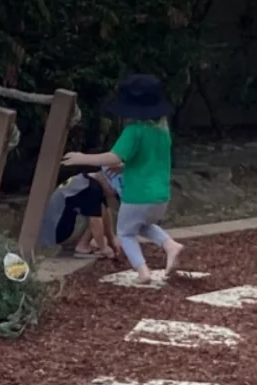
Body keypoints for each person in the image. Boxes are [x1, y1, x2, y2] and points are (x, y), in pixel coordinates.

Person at [62, 74, 184, 279]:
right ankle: (170, 245)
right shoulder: (163, 132)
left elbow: (113, 157)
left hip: (138, 194)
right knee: (143, 225)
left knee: (126, 233)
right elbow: (148, 161)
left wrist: (81, 157)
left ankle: (142, 271)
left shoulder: (134, 131)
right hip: (161, 195)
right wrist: (125, 168)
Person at [37, 166, 119, 259]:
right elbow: (95, 222)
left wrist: (111, 239)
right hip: (57, 234)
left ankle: (82, 244)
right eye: (114, 190)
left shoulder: (85, 180)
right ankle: (82, 246)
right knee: (96, 217)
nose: (113, 194)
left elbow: (106, 212)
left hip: (53, 229)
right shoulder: (92, 189)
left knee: (100, 211)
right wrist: (104, 248)